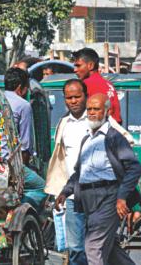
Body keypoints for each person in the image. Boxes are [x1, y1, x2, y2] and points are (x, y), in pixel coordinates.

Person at [55, 92, 141, 265]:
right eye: (89, 109)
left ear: (107, 112)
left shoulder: (114, 137)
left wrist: (122, 197)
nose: (92, 113)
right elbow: (79, 172)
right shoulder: (87, 139)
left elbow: (134, 168)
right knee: (111, 250)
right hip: (88, 199)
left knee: (93, 247)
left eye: (96, 109)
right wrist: (65, 192)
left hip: (108, 197)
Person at [45, 79, 91, 265]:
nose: (73, 101)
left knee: (97, 246)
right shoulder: (64, 124)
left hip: (98, 194)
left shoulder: (97, 119)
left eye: (77, 97)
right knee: (75, 247)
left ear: (86, 96)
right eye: (69, 98)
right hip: (73, 194)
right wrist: (60, 191)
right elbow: (60, 158)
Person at [73, 48, 121, 123]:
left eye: (78, 66)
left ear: (91, 65)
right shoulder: (108, 83)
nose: (75, 70)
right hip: (113, 127)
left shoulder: (86, 84)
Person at [3, 67, 34, 165]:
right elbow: (25, 145)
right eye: (27, 87)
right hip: (11, 163)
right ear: (20, 87)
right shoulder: (23, 105)